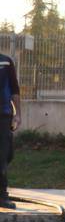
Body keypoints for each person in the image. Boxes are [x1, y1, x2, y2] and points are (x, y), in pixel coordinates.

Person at [0, 52, 21, 209]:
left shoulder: (6, 62)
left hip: (3, 114)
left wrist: (17, 114)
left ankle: (2, 195)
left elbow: (14, 89)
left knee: (5, 155)